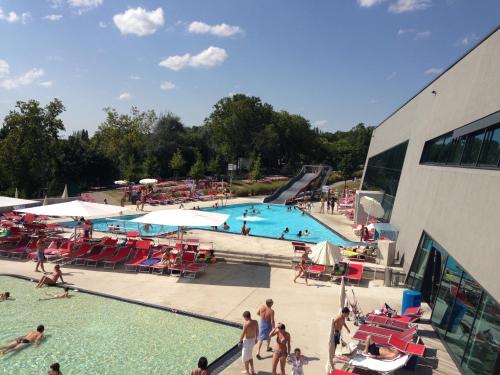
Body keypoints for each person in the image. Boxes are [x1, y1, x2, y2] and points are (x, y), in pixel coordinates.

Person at [239, 311, 259, 375]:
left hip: (247, 341)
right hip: (253, 340)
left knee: (245, 358)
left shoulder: (246, 324)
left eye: (244, 318)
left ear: (245, 317)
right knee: (249, 356)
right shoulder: (255, 322)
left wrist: (240, 341)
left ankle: (247, 372)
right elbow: (257, 330)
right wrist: (256, 339)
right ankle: (252, 370)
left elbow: (243, 333)